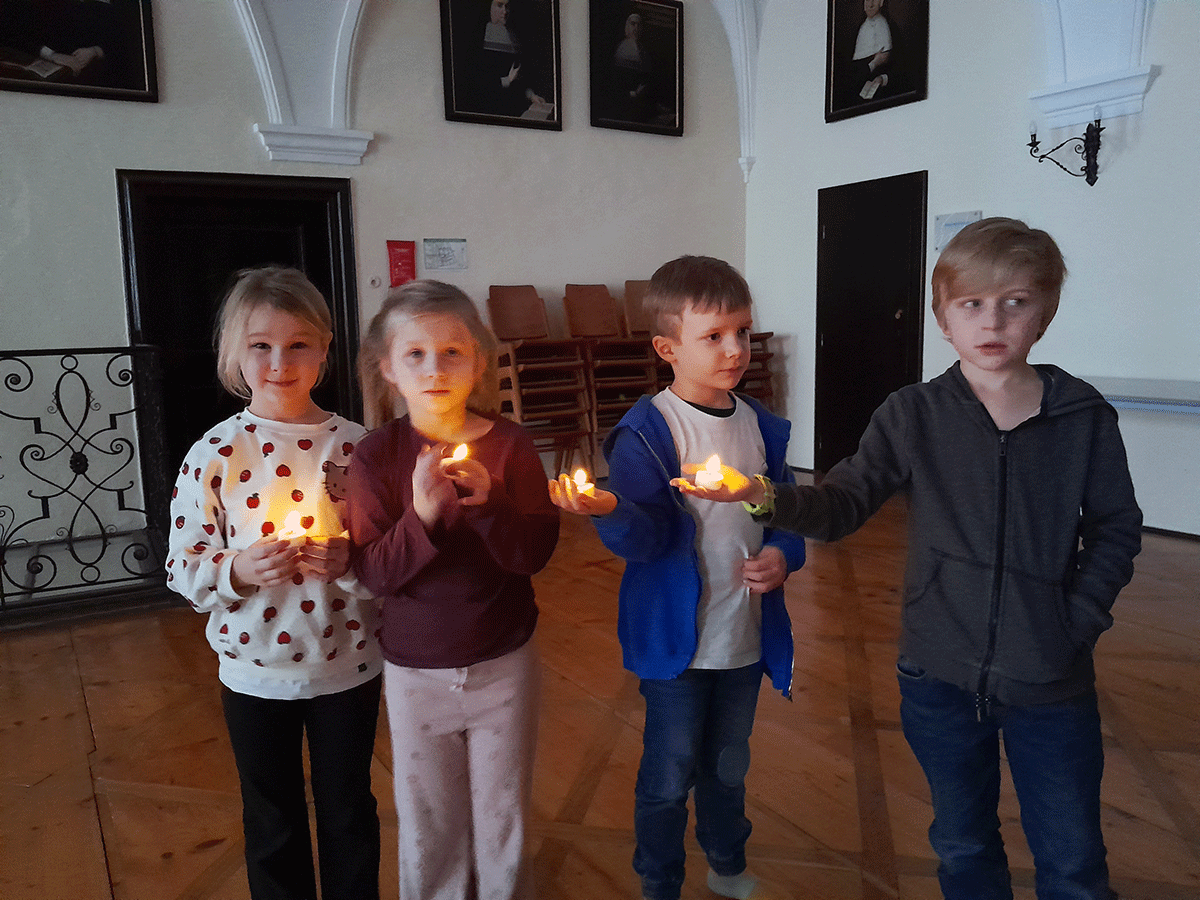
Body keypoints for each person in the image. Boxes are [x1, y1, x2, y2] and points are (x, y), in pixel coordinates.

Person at [679, 219, 1143, 900]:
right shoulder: (914, 413)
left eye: (1015, 302)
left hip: (1051, 676)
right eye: (972, 304)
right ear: (943, 319)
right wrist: (763, 496)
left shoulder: (1083, 416)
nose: (993, 321)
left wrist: (1077, 620)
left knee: (1072, 857)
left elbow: (1115, 528)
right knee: (962, 843)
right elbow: (842, 505)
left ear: (1044, 314)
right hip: (938, 675)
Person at [549, 256, 806, 900]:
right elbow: (649, 539)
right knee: (669, 772)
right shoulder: (649, 432)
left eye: (742, 331)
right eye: (713, 336)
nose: (735, 349)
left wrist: (784, 554)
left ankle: (725, 861)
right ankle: (660, 880)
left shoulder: (759, 424)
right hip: (677, 644)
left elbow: (787, 507)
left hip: (744, 634)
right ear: (667, 349)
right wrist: (609, 509)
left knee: (728, 764)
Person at [165, 265, 383, 900]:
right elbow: (183, 564)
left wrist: (351, 563)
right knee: (272, 819)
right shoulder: (216, 454)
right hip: (254, 671)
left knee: (348, 811)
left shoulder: (359, 448)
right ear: (235, 350)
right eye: (261, 345)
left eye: (298, 344)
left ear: (325, 348)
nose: (280, 363)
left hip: (347, 665)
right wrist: (236, 569)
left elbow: (389, 558)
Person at [346, 279, 560, 900]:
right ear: (388, 367)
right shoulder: (376, 457)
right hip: (416, 672)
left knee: (502, 811)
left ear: (479, 362)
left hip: (503, 662)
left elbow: (532, 555)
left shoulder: (512, 445)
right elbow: (374, 574)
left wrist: (489, 506)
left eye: (452, 353)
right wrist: (422, 516)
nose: (435, 369)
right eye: (415, 354)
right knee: (428, 817)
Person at [850, 0, 892, 101]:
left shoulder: (890, 27)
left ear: (881, 2)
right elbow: (852, 74)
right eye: (867, 0)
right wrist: (875, 63)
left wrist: (883, 78)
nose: (870, 5)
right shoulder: (859, 28)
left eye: (874, 0)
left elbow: (898, 67)